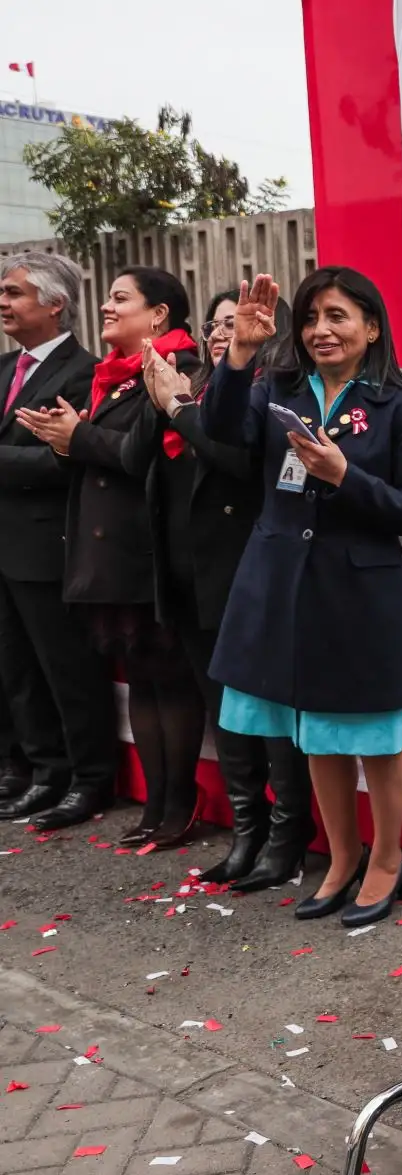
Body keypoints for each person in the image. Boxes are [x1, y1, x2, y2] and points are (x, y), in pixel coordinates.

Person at [203, 269, 402, 926]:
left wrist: (343, 475)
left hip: (360, 596)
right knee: (317, 735)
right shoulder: (277, 387)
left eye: (337, 316)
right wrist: (240, 353)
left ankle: (387, 859)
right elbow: (223, 432)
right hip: (281, 588)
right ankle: (341, 857)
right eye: (310, 319)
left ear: (371, 327)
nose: (320, 331)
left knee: (373, 739)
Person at [16, 267, 203, 835]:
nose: (106, 307)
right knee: (142, 681)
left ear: (159, 315)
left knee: (170, 681)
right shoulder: (112, 377)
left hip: (151, 554)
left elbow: (139, 455)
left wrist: (77, 438)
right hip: (112, 555)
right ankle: (155, 807)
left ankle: (179, 805)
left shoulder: (176, 369)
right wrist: (69, 438)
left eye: (121, 299)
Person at [142, 288, 317, 885]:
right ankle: (249, 830)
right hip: (188, 577)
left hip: (247, 577)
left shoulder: (273, 392)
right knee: (228, 719)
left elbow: (238, 459)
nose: (220, 333)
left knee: (265, 718)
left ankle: (287, 837)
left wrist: (180, 407)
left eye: (232, 323)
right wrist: (166, 400)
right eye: (214, 325)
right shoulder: (195, 387)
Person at [0, 252, 116, 827]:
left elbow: (63, 459)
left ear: (54, 303)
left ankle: (90, 779)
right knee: (16, 669)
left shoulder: (82, 373)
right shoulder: (4, 369)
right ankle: (40, 770)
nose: (4, 302)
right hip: (5, 546)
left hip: (48, 546)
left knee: (66, 669)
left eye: (15, 293)